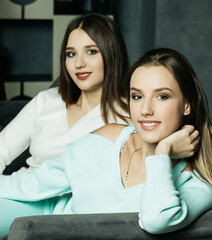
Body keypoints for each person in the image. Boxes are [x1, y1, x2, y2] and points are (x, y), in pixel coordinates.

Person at [1, 48, 212, 236]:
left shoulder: (197, 178)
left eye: (162, 96)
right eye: (137, 96)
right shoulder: (107, 137)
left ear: (186, 105)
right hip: (41, 216)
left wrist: (162, 154)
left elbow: (156, 220)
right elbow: (34, 184)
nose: (146, 109)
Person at [0, 13, 130, 174]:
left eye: (91, 52)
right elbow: (1, 149)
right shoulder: (46, 101)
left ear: (112, 54)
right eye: (71, 54)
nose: (79, 63)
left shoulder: (128, 114)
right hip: (25, 191)